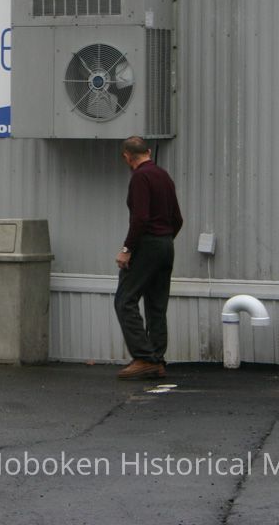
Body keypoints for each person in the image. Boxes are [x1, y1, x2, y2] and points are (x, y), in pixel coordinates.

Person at [114, 136, 183, 380]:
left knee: (125, 300)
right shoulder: (163, 176)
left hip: (148, 244)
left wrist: (127, 249)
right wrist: (165, 239)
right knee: (156, 305)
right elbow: (178, 219)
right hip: (166, 244)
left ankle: (143, 357)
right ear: (149, 151)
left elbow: (141, 218)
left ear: (127, 157)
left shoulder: (140, 177)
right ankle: (157, 358)